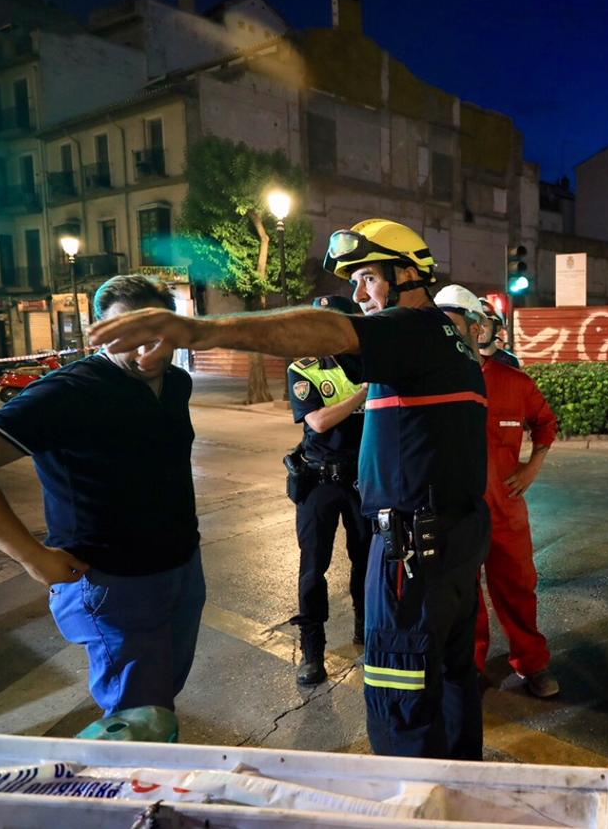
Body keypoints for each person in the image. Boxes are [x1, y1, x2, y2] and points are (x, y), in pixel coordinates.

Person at [89, 219, 489, 761]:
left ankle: (417, 807)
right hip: (455, 541)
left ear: (407, 274)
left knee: (402, 698)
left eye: (368, 278)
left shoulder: (412, 328)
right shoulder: (452, 340)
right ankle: (464, 795)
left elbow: (327, 330)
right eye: (354, 283)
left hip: (412, 556)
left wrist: (198, 331)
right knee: (453, 678)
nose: (359, 295)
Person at [0, 275, 205, 723]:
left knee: (162, 695)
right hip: (112, 583)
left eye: (157, 335)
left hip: (181, 569)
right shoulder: (68, 393)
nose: (146, 351)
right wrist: (30, 555)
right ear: (99, 332)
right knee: (139, 716)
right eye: (126, 337)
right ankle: (133, 790)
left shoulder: (176, 383)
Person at [439, 286, 560, 698]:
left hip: (504, 510)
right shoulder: (435, 380)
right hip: (455, 508)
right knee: (463, 594)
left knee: (518, 590)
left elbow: (546, 424)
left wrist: (532, 468)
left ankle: (532, 664)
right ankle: (470, 665)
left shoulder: (514, 382)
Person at [286, 294, 370, 686]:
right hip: (319, 480)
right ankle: (312, 650)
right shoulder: (302, 369)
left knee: (367, 562)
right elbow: (317, 421)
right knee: (313, 569)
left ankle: (365, 628)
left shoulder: (366, 363)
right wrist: (362, 394)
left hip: (360, 479)